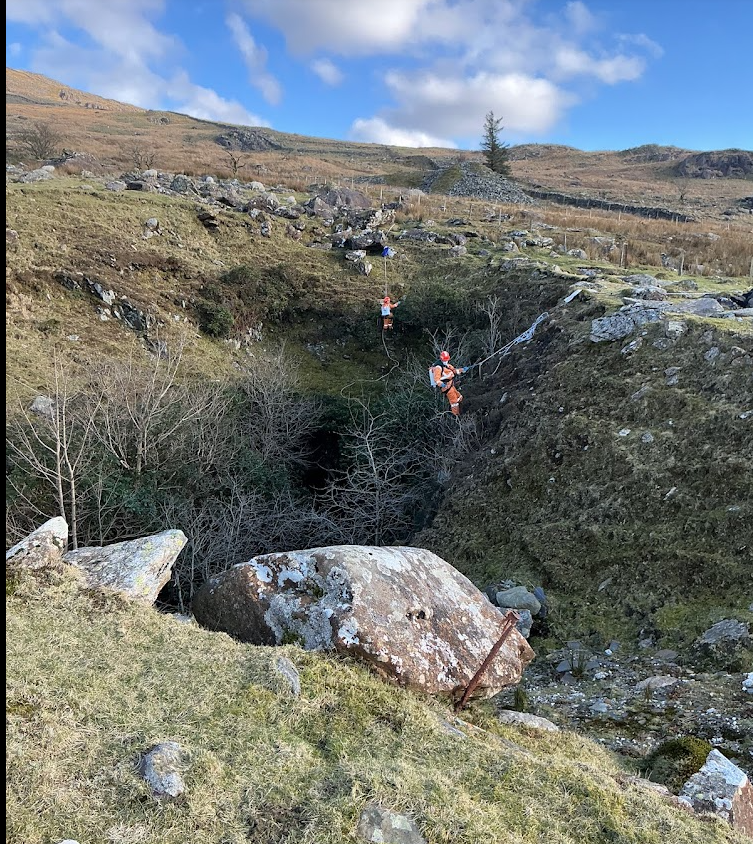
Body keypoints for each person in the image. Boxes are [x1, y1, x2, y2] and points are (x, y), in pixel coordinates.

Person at [431, 350, 466, 416]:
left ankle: (461, 410)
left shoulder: (447, 365)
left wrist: (462, 370)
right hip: (446, 387)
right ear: (441, 359)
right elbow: (437, 379)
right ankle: (456, 416)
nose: (446, 361)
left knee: (460, 397)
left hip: (451, 384)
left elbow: (454, 371)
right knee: (454, 402)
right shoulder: (438, 368)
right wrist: (442, 384)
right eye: (445, 360)